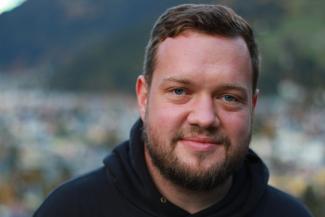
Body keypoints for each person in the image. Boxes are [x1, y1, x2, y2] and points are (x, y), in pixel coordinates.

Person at [33, 4, 314, 217]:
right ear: (144, 98)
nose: (204, 118)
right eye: (180, 91)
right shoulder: (69, 210)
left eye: (228, 97)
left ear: (252, 107)